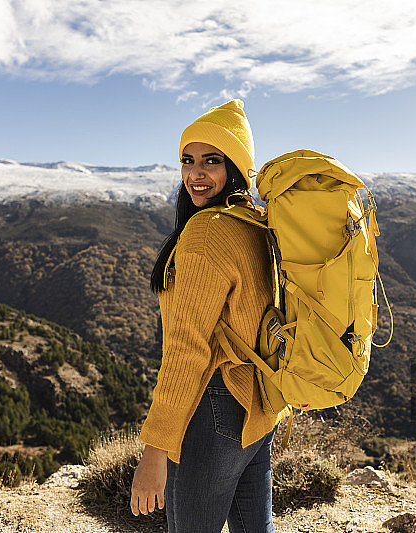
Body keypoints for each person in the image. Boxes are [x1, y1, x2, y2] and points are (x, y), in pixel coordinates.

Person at [130, 100, 281, 532]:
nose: (196, 174)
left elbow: (187, 348)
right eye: (187, 160)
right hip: (256, 403)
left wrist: (156, 448)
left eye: (211, 161)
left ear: (235, 167)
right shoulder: (255, 224)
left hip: (212, 406)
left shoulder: (207, 231)